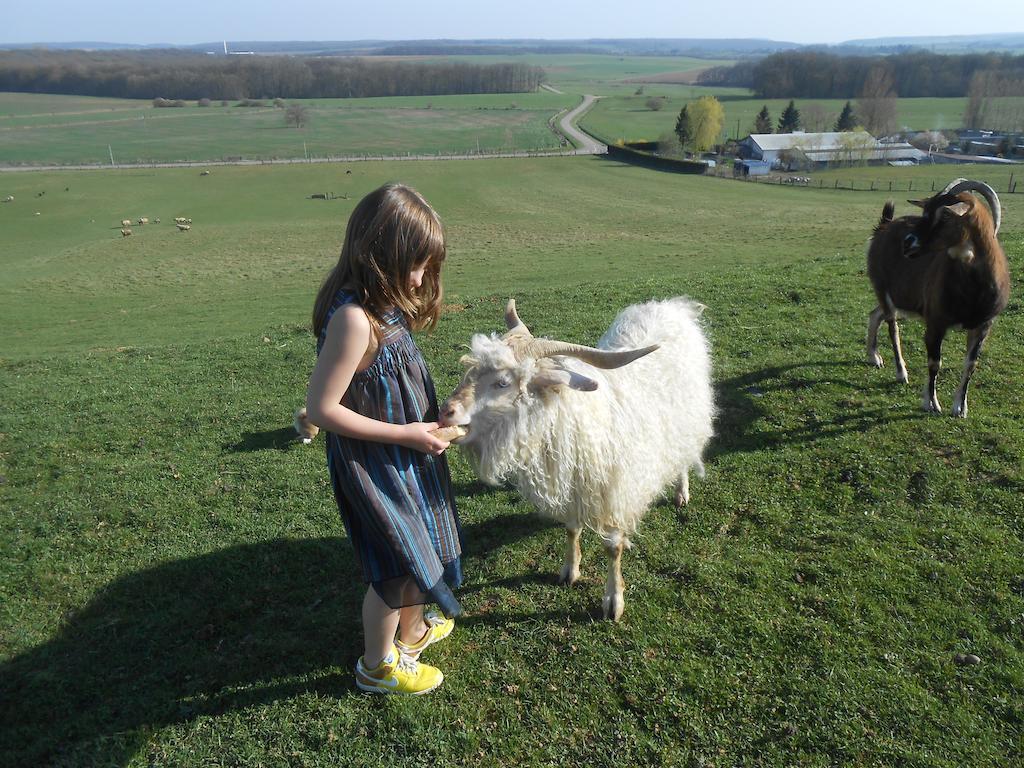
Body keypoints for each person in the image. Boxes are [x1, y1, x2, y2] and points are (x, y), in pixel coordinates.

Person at [306, 183, 463, 695]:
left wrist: (430, 418)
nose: (420, 279)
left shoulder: (388, 306)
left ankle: (412, 632)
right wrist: (406, 433)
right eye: (412, 266)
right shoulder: (354, 320)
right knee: (394, 568)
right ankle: (377, 665)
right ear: (377, 256)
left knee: (422, 548)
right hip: (377, 466)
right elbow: (321, 410)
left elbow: (395, 381)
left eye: (426, 267)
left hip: (408, 452)